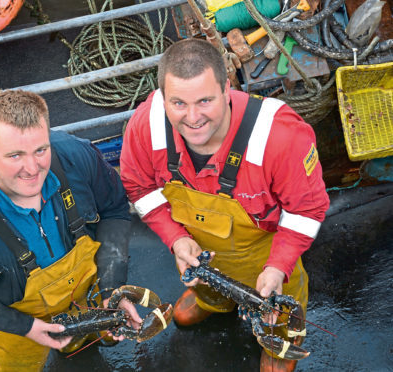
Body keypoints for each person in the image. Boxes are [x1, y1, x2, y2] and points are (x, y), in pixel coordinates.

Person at [119, 38, 330, 372]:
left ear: (227, 89)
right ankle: (212, 302)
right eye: (178, 103)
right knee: (202, 287)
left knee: (278, 306)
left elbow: (306, 211)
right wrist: (175, 238)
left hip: (264, 251)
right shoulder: (145, 125)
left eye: (205, 100)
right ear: (162, 97)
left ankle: (280, 341)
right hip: (194, 246)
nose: (192, 118)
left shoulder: (280, 137)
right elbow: (138, 187)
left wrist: (279, 266)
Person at [0, 89, 140, 371]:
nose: (32, 169)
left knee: (81, 345)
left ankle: (77, 346)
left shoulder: (76, 155)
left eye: (41, 150)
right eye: (15, 155)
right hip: (15, 327)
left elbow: (114, 210)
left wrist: (112, 288)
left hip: (84, 298)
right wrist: (24, 326)